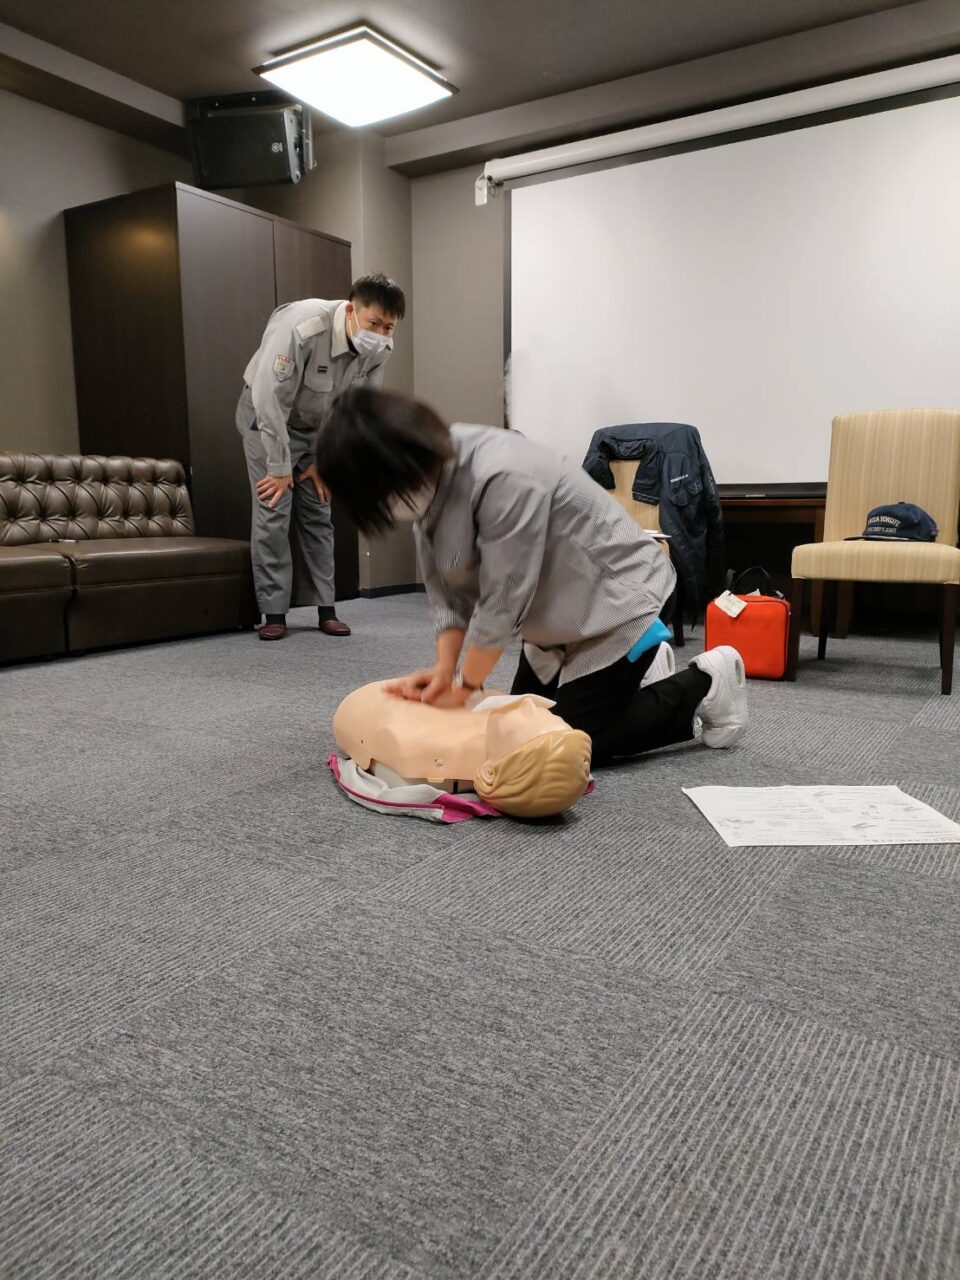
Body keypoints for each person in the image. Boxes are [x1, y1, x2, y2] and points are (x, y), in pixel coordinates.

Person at [315, 389, 748, 765]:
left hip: (622, 598)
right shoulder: (425, 480)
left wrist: (466, 687)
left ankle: (707, 684)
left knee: (566, 744)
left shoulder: (503, 473)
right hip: (557, 616)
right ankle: (634, 674)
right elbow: (446, 592)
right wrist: (445, 671)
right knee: (520, 722)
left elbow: (503, 598)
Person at [236, 273, 406, 640]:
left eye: (389, 327)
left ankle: (326, 608)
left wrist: (326, 462)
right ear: (351, 310)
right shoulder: (303, 326)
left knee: (319, 509)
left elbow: (357, 411)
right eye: (374, 323)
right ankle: (274, 612)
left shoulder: (380, 348)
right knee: (274, 508)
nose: (380, 334)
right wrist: (279, 467)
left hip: (317, 428)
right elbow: (269, 399)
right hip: (267, 420)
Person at [332, 682, 592, 818]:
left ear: (489, 771)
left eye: (522, 720)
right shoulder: (501, 726)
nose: (527, 703)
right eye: (549, 714)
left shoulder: (419, 744)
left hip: (366, 702)